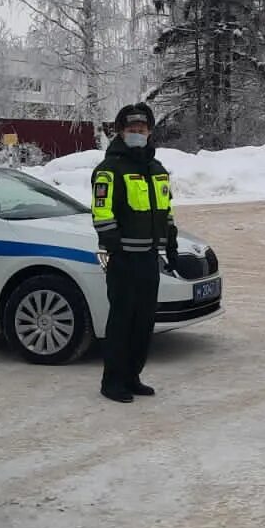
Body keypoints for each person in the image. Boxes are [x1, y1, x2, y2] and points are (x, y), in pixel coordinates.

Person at [91, 102, 177, 403]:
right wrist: (113, 243)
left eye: (142, 129)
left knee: (143, 322)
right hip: (124, 258)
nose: (138, 133)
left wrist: (172, 241)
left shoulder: (157, 170)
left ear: (150, 131)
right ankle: (112, 381)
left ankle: (132, 376)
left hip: (149, 257)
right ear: (121, 132)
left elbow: (166, 209)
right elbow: (101, 211)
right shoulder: (109, 169)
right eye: (132, 129)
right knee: (122, 321)